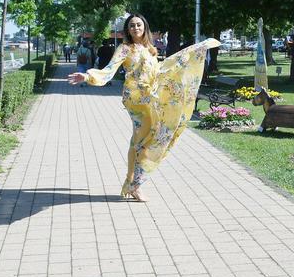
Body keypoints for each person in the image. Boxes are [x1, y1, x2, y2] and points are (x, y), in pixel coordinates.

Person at [68, 14, 219, 202]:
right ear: (128, 30)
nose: (135, 28)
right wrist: (88, 76)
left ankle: (132, 182)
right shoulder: (125, 49)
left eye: (138, 25)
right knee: (143, 139)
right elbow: (109, 70)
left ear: (144, 27)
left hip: (152, 98)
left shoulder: (150, 49)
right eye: (131, 25)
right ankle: (134, 185)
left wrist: (195, 51)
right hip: (136, 100)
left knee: (149, 137)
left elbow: (161, 70)